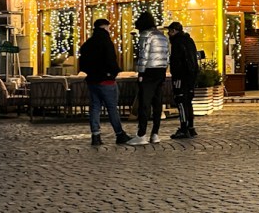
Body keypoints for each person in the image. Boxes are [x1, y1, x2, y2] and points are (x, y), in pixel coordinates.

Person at [77, 19, 132, 146]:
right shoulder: (106, 41)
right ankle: (119, 134)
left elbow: (83, 63)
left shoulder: (88, 43)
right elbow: (111, 60)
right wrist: (114, 72)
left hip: (92, 81)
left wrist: (90, 72)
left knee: (95, 107)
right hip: (106, 80)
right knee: (112, 108)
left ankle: (95, 135)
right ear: (105, 27)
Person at [127, 12, 170, 146]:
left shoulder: (146, 35)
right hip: (160, 71)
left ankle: (141, 134)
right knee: (157, 103)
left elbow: (143, 55)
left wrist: (140, 73)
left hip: (148, 72)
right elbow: (167, 55)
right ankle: (155, 134)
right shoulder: (162, 36)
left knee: (144, 103)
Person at [166, 22, 199, 139]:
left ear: (174, 31)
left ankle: (184, 128)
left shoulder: (177, 42)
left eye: (170, 31)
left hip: (181, 76)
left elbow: (176, 62)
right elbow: (194, 59)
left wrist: (175, 75)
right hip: (191, 76)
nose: (168, 33)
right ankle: (191, 127)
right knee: (188, 101)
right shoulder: (189, 40)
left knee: (180, 101)